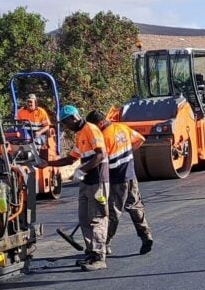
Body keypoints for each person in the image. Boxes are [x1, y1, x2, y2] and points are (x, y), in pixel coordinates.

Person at [39, 105, 109, 271]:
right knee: (84, 217)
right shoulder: (80, 135)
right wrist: (47, 164)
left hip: (97, 180)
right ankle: (91, 253)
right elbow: (71, 159)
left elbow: (100, 154)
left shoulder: (91, 129)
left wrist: (82, 169)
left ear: (73, 118)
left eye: (65, 123)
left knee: (97, 218)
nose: (65, 127)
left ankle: (99, 257)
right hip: (86, 181)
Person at [86, 110, 153, 256]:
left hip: (116, 180)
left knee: (112, 213)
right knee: (135, 207)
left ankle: (105, 243)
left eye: (94, 127)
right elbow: (141, 139)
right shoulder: (122, 128)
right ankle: (146, 235)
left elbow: (100, 159)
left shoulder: (103, 137)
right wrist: (127, 154)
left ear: (100, 123)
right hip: (131, 176)